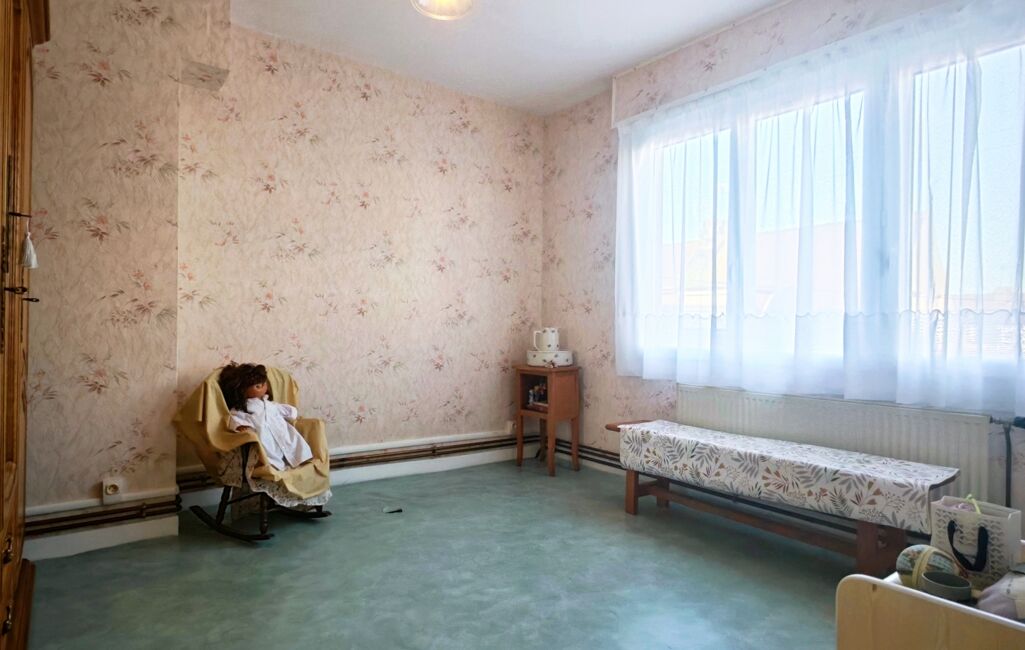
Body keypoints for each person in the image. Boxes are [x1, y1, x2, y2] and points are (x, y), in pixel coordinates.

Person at [217, 362, 313, 471]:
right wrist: (241, 427)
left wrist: (292, 413)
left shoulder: (271, 404)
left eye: (264, 384)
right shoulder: (242, 409)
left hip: (284, 435)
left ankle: (300, 457)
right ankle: (275, 466)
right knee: (270, 453)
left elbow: (290, 412)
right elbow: (235, 418)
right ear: (242, 390)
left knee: (294, 443)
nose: (263, 387)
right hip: (266, 441)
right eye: (258, 386)